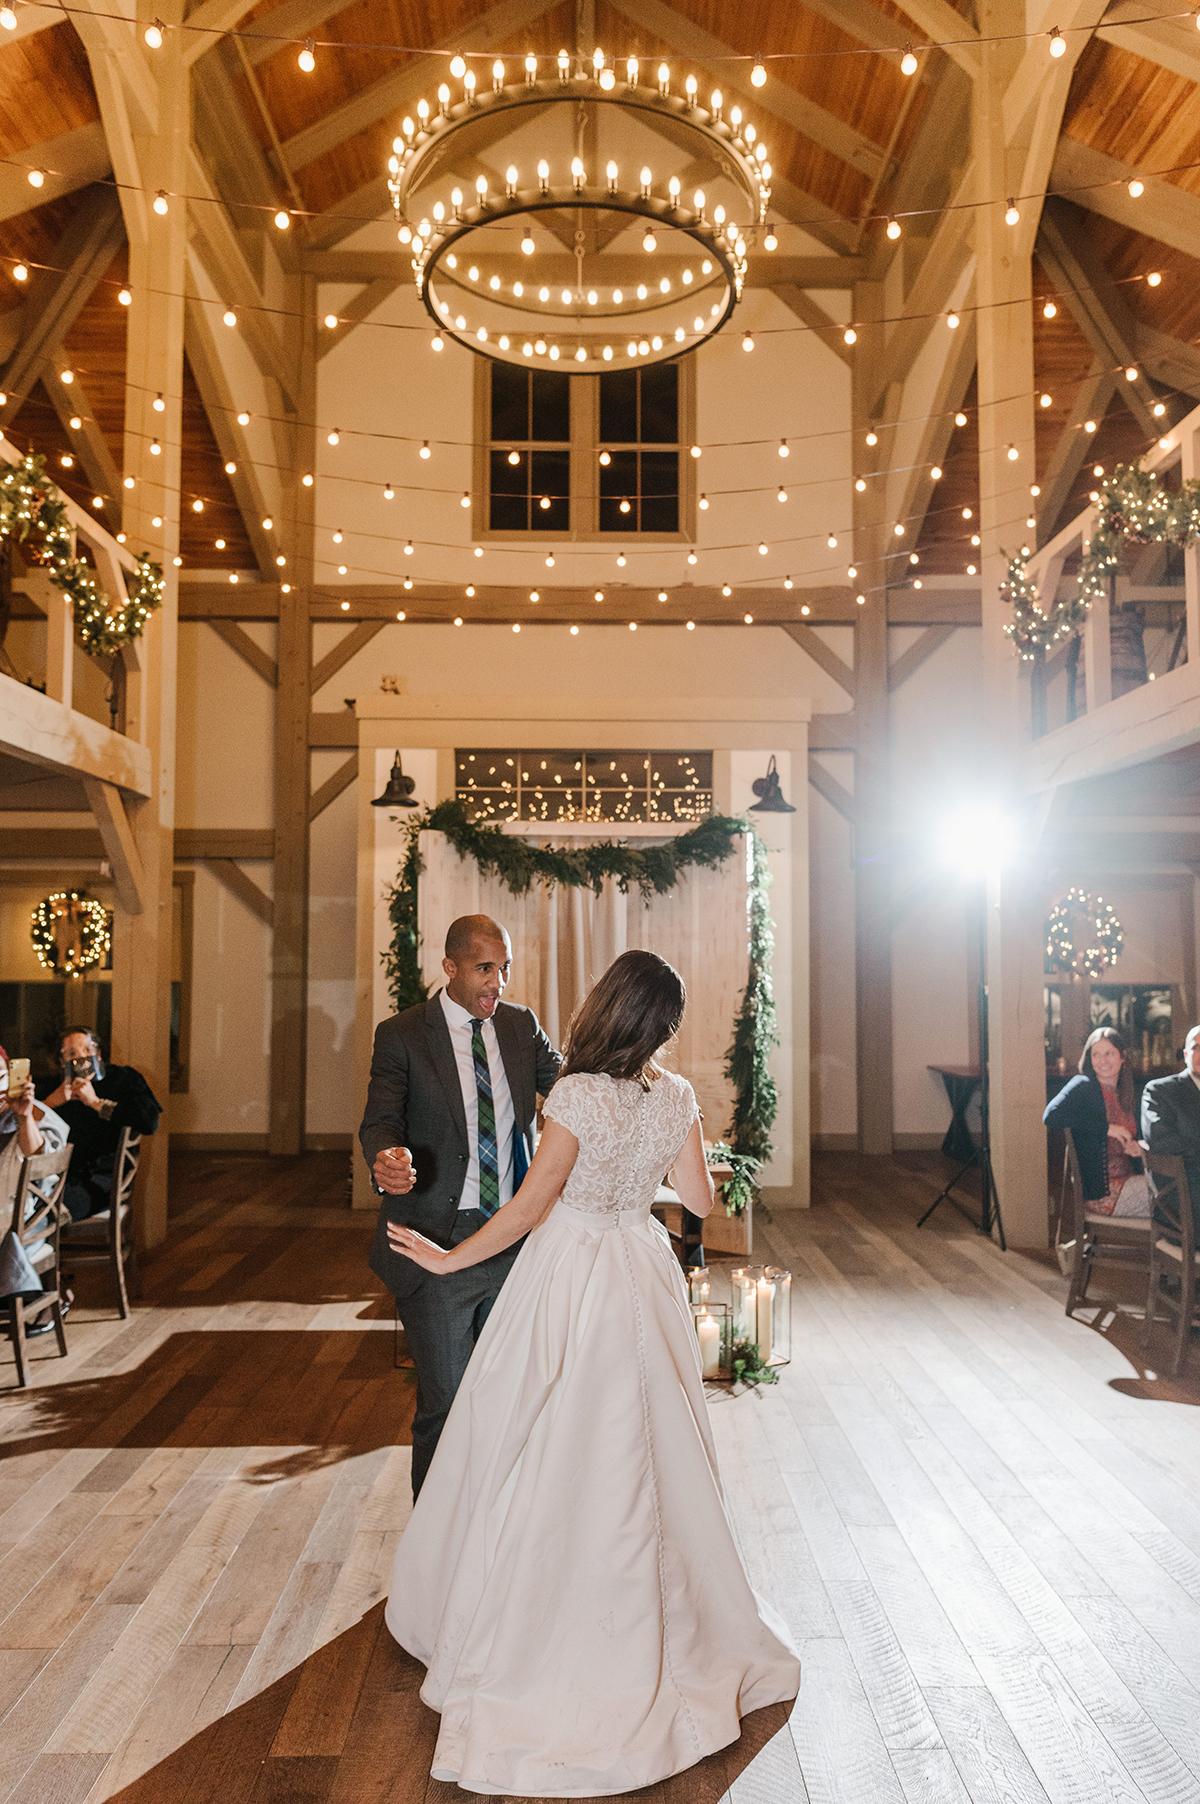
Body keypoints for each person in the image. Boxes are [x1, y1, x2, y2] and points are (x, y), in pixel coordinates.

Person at [384, 949, 800, 1797]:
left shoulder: (574, 1094)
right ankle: (672, 1620)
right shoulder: (677, 1095)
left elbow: (532, 1208)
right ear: (661, 1028)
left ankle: (539, 1613)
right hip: (639, 1266)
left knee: (541, 1431)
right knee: (647, 1439)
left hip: (570, 1268)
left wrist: (448, 1255)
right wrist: (676, 1154)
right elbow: (701, 1203)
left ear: (603, 1008)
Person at [358, 913, 561, 1498]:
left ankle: (498, 1542)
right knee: (445, 1405)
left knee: (512, 1401)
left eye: (504, 969)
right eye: (484, 969)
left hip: (516, 1238)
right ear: (449, 968)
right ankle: (437, 1552)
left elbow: (574, 1090)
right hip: (435, 1240)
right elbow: (380, 1121)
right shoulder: (402, 1035)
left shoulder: (522, 1028)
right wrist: (386, 1158)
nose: (498, 982)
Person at [42, 1026, 161, 1222]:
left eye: (88, 1050)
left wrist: (96, 1103)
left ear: (98, 1054)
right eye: (71, 1054)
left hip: (99, 1180)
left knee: (44, 1209)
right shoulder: (52, 1086)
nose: (81, 1058)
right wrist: (51, 1103)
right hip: (52, 1176)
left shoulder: (122, 1078)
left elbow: (149, 1121)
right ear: (61, 1061)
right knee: (22, 1199)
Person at [1043, 1026, 1151, 1217]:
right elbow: (1051, 1116)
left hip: (1131, 1179)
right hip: (1103, 1193)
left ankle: (1176, 1244)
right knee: (1180, 1192)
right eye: (1096, 1054)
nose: (1102, 1061)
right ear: (1089, 1058)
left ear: (1122, 1056)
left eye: (1109, 1053)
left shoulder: (1127, 1093)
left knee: (1181, 1191)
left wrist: (1138, 1148)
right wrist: (1106, 1128)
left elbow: (1142, 1137)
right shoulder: (1083, 1085)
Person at [0, 1045, 71, 1328]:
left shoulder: (34, 1114)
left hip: (19, 1226)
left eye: (1, 1075)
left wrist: (24, 1115)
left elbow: (37, 1154)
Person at [1141, 1023, 1200, 1239]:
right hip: (1181, 1197)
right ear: (1185, 1054)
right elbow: (1160, 1140)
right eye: (1197, 1048)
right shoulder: (1160, 1091)